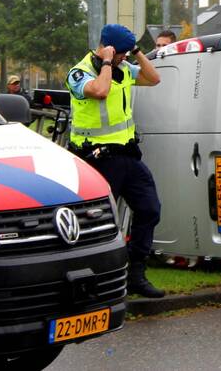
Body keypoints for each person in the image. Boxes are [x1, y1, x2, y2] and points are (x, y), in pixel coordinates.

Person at [66, 23, 164, 298]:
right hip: (96, 159)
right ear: (107, 48)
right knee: (96, 224)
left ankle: (136, 275)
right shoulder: (79, 72)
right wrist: (108, 61)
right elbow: (100, 91)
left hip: (127, 156)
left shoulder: (123, 70)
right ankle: (92, 282)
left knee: (149, 210)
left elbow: (154, 78)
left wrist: (136, 50)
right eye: (121, 53)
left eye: (125, 54)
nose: (125, 58)